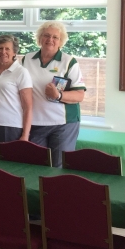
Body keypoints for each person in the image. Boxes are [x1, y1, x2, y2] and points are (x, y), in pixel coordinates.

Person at [23, 21, 86, 167]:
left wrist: (58, 95)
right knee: (35, 164)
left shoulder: (69, 61)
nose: (50, 40)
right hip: (36, 123)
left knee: (59, 167)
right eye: (46, 35)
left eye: (55, 37)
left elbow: (79, 95)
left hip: (63, 124)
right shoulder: (27, 59)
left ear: (61, 41)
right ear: (40, 38)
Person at [0, 35, 33, 158]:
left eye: (7, 49)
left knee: (7, 166)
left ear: (14, 52)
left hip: (11, 126)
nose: (3, 52)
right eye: (0, 48)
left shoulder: (21, 72)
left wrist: (25, 135)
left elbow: (28, 107)